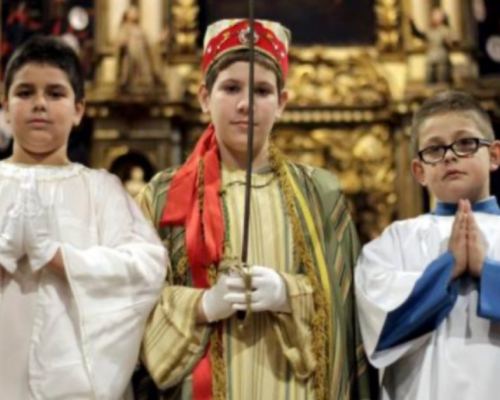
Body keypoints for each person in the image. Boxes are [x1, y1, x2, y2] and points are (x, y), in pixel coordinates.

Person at [133, 18, 373, 400]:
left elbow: (353, 314)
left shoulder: (320, 195)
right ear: (203, 97)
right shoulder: (162, 196)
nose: (246, 104)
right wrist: (201, 305)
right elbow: (129, 305)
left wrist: (289, 293)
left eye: (262, 90)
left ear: (282, 103)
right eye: (230, 88)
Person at [0, 35, 167, 399]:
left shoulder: (101, 190)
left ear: (79, 110)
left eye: (55, 93)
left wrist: (60, 257)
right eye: (25, 92)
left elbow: (146, 269)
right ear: (5, 106)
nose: (39, 104)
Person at [355, 90, 500, 400]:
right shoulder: (394, 241)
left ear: (495, 155)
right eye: (434, 149)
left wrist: (486, 271)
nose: (449, 155)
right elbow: (380, 325)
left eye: (465, 143)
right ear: (419, 170)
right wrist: (448, 267)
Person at [410, 7, 455, 83]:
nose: (435, 19)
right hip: (431, 60)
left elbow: (453, 42)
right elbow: (418, 34)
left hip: (442, 60)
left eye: (437, 17)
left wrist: (449, 42)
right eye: (434, 17)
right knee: (430, 83)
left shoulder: (446, 30)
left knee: (443, 83)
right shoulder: (430, 31)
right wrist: (412, 25)